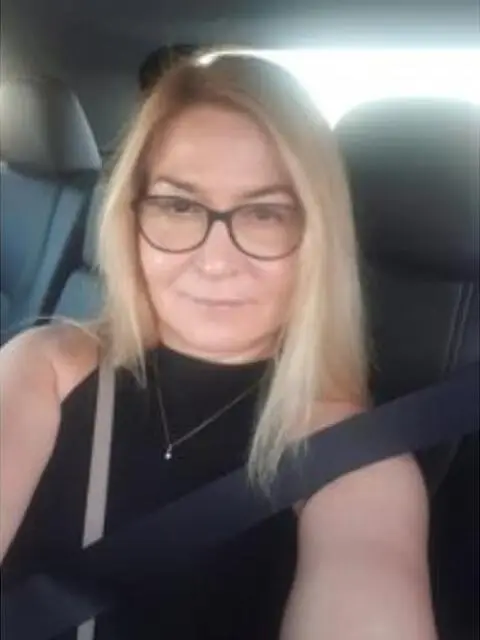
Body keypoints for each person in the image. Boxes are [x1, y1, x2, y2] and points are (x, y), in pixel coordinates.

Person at [0, 54, 437, 639]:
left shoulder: (356, 462)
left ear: (318, 238)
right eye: (179, 206)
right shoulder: (44, 366)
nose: (215, 260)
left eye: (265, 214)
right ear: (130, 220)